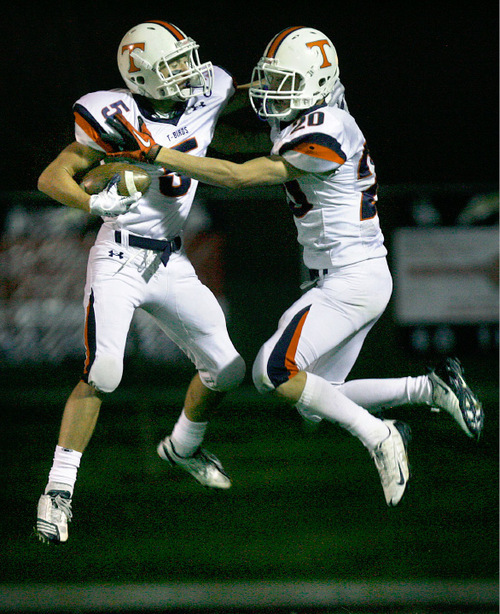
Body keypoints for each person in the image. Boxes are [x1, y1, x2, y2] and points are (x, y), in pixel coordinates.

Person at [101, 25, 484, 508]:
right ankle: (430, 386)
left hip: (350, 280)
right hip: (350, 276)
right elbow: (245, 149)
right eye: (272, 80)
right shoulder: (308, 116)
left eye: (286, 83)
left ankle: (381, 436)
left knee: (276, 370)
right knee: (320, 398)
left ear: (319, 82)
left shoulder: (328, 129)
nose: (273, 92)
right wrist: (190, 144)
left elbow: (242, 176)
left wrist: (158, 153)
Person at [35, 20, 249, 544]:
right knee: (104, 370)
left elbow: (236, 98)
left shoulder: (206, 91)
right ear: (142, 75)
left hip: (171, 262)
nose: (189, 71)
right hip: (120, 257)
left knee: (228, 369)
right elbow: (52, 177)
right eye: (174, 65)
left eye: (186, 59)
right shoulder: (113, 113)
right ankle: (58, 490)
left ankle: (183, 445)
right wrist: (95, 200)